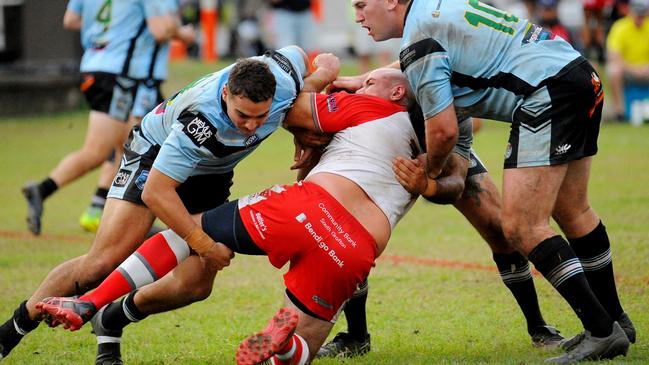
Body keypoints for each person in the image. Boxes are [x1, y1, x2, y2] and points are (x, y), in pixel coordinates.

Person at [37, 68, 465, 364]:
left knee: (190, 231)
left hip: (306, 209)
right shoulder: (436, 149)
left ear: (396, 93)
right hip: (355, 251)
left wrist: (333, 90)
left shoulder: (370, 107)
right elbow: (456, 181)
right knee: (305, 347)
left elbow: (292, 106)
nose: (359, 84)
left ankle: (90, 301)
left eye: (370, 80)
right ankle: (284, 350)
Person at [0, 45, 337, 362]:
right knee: (101, 263)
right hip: (154, 158)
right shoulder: (200, 121)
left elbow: (328, 65)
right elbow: (157, 193)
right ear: (225, 95)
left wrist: (298, 125)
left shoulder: (283, 77)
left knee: (195, 286)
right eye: (242, 115)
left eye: (259, 116)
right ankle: (9, 333)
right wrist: (203, 243)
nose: (250, 125)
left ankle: (111, 317)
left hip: (213, 171)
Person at [347, 0, 635, 363]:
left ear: (392, 2)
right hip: (578, 76)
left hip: (546, 95)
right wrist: (367, 78)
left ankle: (601, 331)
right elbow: (424, 56)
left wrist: (429, 170)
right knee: (573, 211)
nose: (357, 16)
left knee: (520, 226)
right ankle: (616, 321)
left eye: (361, 5)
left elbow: (443, 131)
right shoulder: (437, 11)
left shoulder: (419, 37)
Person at [317, 151, 564, 358]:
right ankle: (356, 337)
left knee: (500, 232)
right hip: (375, 143)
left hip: (440, 141)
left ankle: (539, 326)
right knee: (350, 234)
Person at [22, 0, 194, 236]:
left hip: (96, 67)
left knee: (128, 147)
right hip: (122, 74)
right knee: (111, 150)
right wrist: (182, 33)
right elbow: (160, 30)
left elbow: (70, 19)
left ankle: (106, 211)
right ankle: (44, 190)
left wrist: (111, 32)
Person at [605, 0, 649, 121]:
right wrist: (633, 69)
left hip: (647, 69)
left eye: (642, 14)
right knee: (613, 70)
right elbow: (613, 56)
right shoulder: (619, 27)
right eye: (637, 14)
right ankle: (620, 113)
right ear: (630, 12)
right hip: (627, 70)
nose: (639, 17)